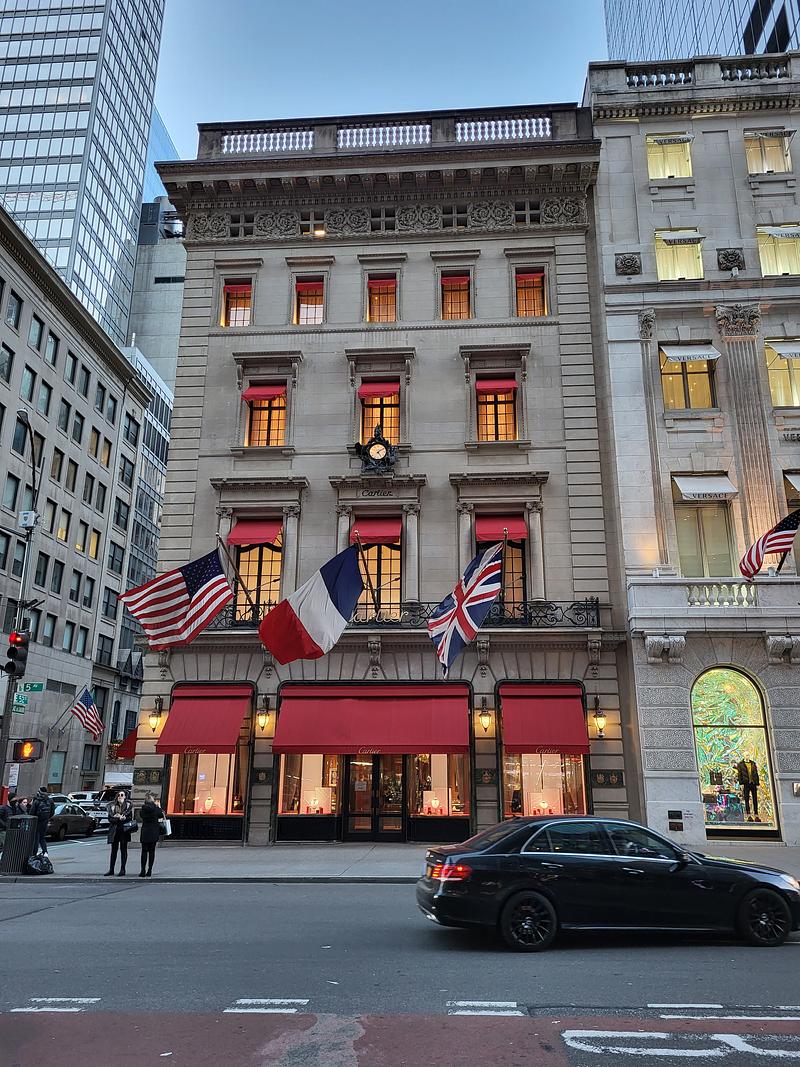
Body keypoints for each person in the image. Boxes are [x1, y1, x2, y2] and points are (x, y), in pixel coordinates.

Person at [105, 791, 133, 876]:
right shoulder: (112, 806)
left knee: (123, 850)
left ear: (125, 797)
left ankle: (122, 869)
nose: (120, 796)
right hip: (114, 831)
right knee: (113, 850)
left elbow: (130, 818)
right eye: (119, 795)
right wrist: (117, 818)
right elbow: (110, 819)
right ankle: (111, 869)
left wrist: (124, 818)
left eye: (122, 795)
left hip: (124, 831)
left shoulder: (128, 806)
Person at [139, 792, 164, 878]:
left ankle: (143, 870)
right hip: (154, 831)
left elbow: (141, 816)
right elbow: (161, 815)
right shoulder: (156, 809)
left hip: (145, 831)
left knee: (144, 851)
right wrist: (158, 807)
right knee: (152, 851)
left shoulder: (143, 808)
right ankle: (149, 870)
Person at [30, 787, 54, 856]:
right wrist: (47, 818)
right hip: (45, 822)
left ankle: (34, 854)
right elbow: (52, 812)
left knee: (36, 838)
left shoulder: (37, 801)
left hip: (37, 822)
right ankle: (45, 852)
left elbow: (31, 813)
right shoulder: (50, 801)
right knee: (42, 838)